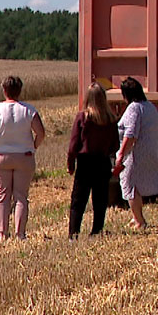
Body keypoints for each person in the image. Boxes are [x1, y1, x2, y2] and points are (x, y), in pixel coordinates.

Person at [0, 76, 46, 240]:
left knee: (2, 196)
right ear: (20, 90)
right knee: (20, 196)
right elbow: (41, 132)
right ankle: (20, 234)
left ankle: (2, 233)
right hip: (24, 156)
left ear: (4, 90)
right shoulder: (28, 110)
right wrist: (33, 146)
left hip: (1, 156)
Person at [67, 82, 119, 238]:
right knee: (100, 199)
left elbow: (73, 144)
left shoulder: (83, 117)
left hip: (85, 162)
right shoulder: (110, 119)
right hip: (102, 161)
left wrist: (71, 163)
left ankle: (74, 233)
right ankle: (96, 230)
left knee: (78, 200)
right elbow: (115, 144)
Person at [114, 76, 158, 229]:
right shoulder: (150, 107)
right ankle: (136, 218)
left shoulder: (133, 108)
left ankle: (139, 220)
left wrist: (121, 154)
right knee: (137, 186)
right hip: (151, 150)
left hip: (135, 154)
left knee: (130, 184)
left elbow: (131, 133)